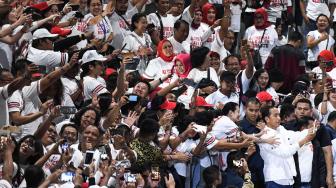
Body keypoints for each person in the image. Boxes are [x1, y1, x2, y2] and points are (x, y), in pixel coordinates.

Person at [259, 106, 316, 187]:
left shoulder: (280, 129)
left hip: (288, 178)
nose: (279, 118)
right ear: (267, 119)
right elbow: (285, 152)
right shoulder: (265, 135)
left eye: (279, 115)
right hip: (275, 179)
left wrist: (311, 129)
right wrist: (305, 140)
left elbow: (295, 135)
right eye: (275, 115)